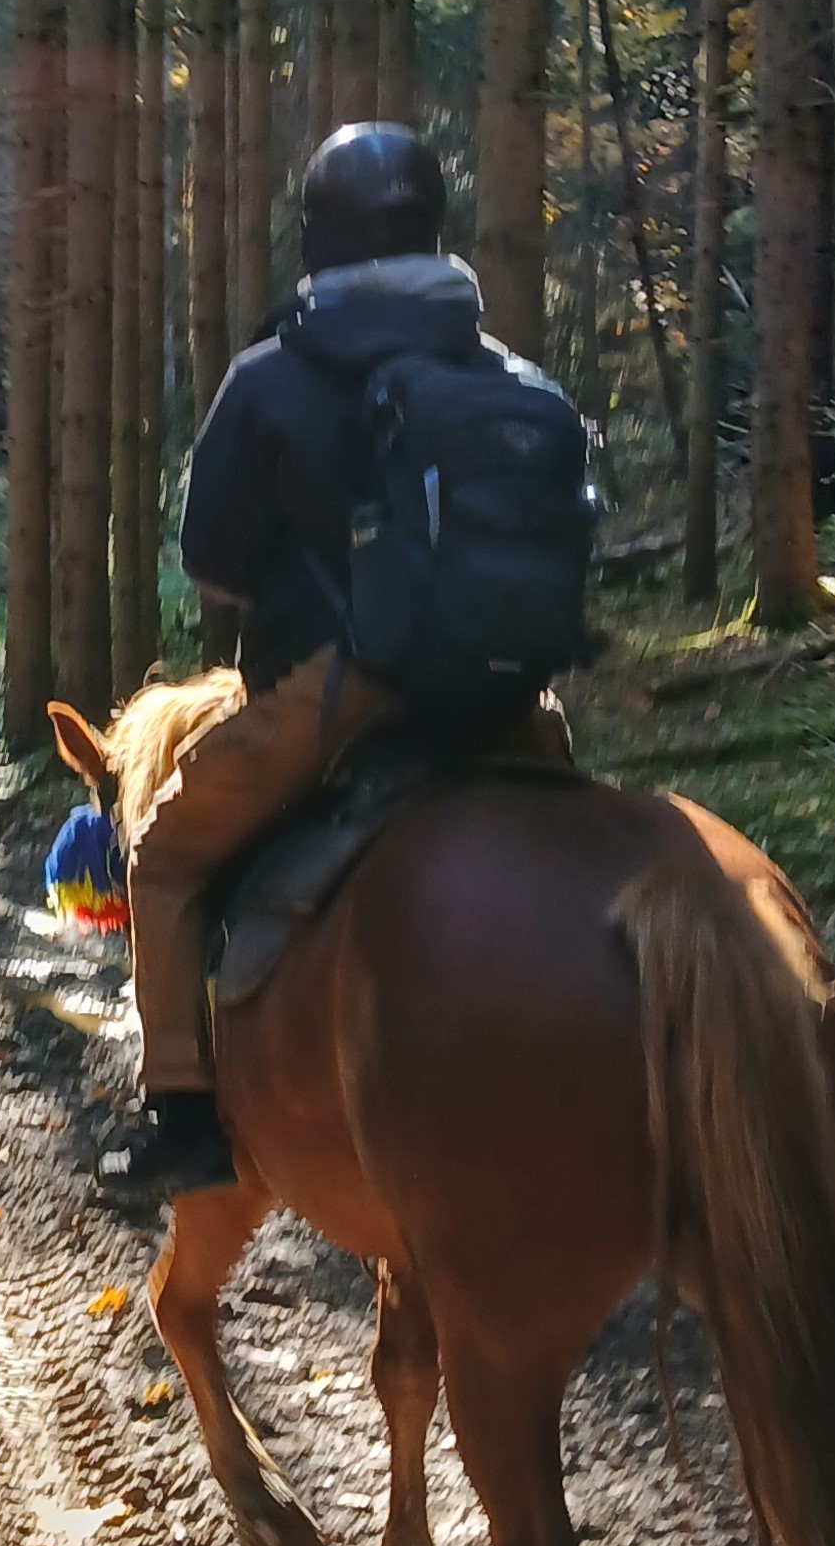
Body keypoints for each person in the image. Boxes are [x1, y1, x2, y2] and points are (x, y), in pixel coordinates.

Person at [105, 123, 565, 1202]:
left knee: (166, 854)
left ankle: (180, 1115)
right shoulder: (504, 369)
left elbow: (211, 561)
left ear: (316, 232)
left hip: (346, 693)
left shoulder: (274, 375)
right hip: (514, 700)